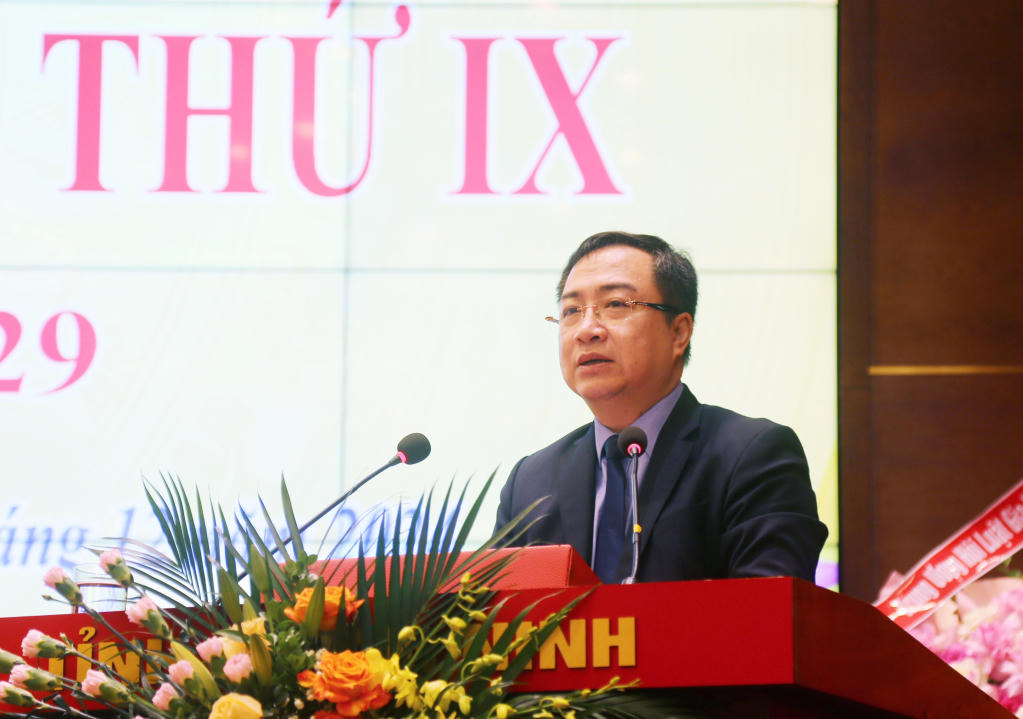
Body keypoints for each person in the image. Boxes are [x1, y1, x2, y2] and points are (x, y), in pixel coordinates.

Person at [495, 231, 827, 583]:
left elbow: (769, 607)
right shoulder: (531, 482)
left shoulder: (752, 456)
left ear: (679, 332)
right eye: (572, 311)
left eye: (616, 304)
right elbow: (492, 611)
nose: (587, 330)